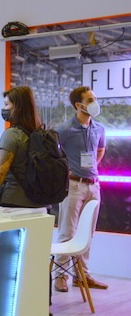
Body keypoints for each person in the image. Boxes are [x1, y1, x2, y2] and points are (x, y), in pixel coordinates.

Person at [0, 86, 53, 316]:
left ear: (17, 107)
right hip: (40, 207)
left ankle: (12, 313)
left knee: (10, 262)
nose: (3, 109)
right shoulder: (40, 133)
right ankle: (43, 311)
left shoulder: (12, 134)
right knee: (38, 261)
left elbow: (0, 170)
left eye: (7, 105)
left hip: (13, 207)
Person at [53, 86, 107, 293]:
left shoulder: (99, 128)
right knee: (67, 231)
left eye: (95, 98)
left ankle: (82, 276)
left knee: (87, 233)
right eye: (90, 99)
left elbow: (100, 150)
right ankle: (60, 276)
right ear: (78, 105)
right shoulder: (64, 129)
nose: (95, 102)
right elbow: (52, 153)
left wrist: (90, 170)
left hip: (93, 185)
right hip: (73, 185)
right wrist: (65, 170)